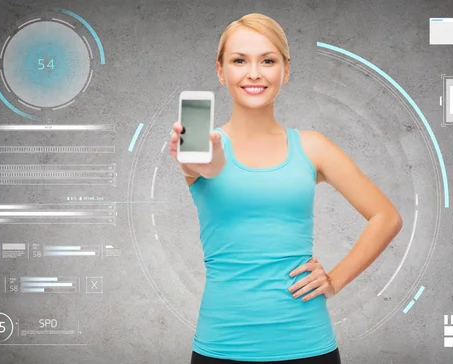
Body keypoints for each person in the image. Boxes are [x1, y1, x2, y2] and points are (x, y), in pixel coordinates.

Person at [168, 13, 403, 364]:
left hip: (309, 346)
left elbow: (386, 217)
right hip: (221, 348)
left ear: (286, 70)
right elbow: (207, 166)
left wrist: (334, 280)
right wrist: (209, 159)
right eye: (239, 60)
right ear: (220, 70)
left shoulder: (313, 147)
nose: (253, 73)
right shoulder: (201, 148)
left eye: (267, 60)